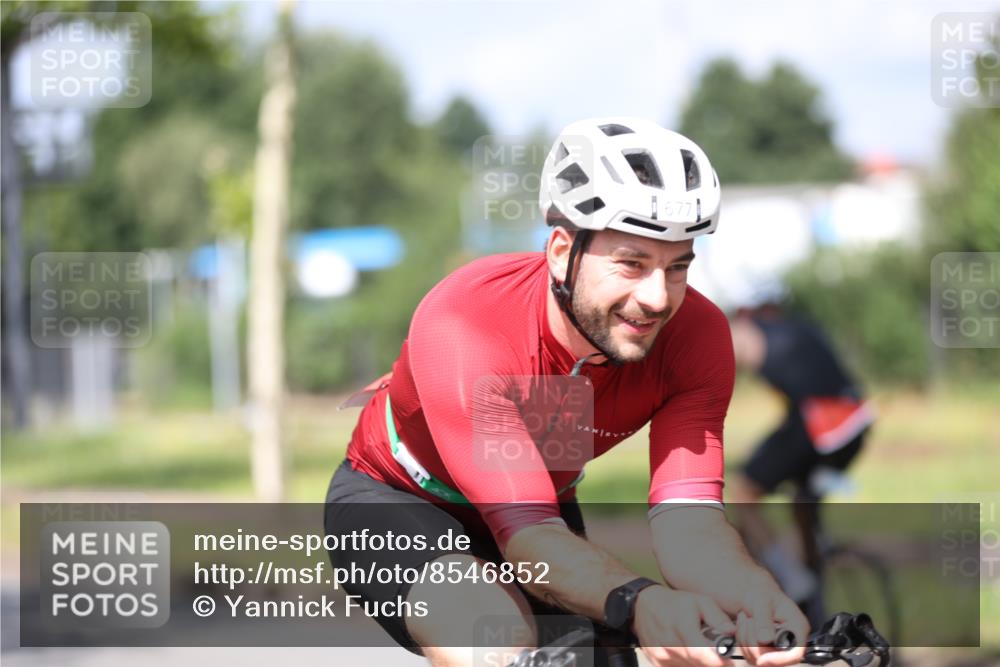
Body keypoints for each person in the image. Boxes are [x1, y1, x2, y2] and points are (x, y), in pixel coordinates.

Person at [324, 117, 808, 667]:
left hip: (541, 512)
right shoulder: (468, 322)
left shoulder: (697, 337)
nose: (656, 298)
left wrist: (755, 598)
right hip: (401, 499)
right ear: (560, 251)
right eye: (631, 263)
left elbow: (689, 521)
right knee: (498, 637)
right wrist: (638, 601)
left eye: (677, 268)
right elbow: (527, 537)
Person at [727, 304, 876, 607]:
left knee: (742, 493)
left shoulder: (746, 333)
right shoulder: (800, 328)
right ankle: (813, 580)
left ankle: (794, 582)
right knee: (803, 504)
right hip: (854, 423)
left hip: (819, 425)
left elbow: (739, 356)